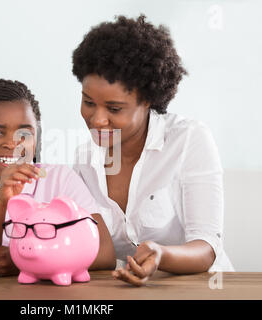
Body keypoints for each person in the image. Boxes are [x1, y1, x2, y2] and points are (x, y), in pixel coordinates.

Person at [71, 15, 234, 286]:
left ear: (147, 100)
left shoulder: (188, 140)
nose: (97, 119)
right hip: (130, 290)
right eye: (88, 102)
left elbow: (207, 245)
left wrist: (162, 254)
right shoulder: (84, 161)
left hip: (202, 288)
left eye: (114, 109)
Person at [0, 79, 115, 275]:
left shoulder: (60, 179)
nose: (13, 144)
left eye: (24, 134)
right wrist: (1, 199)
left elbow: (105, 253)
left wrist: (21, 260)